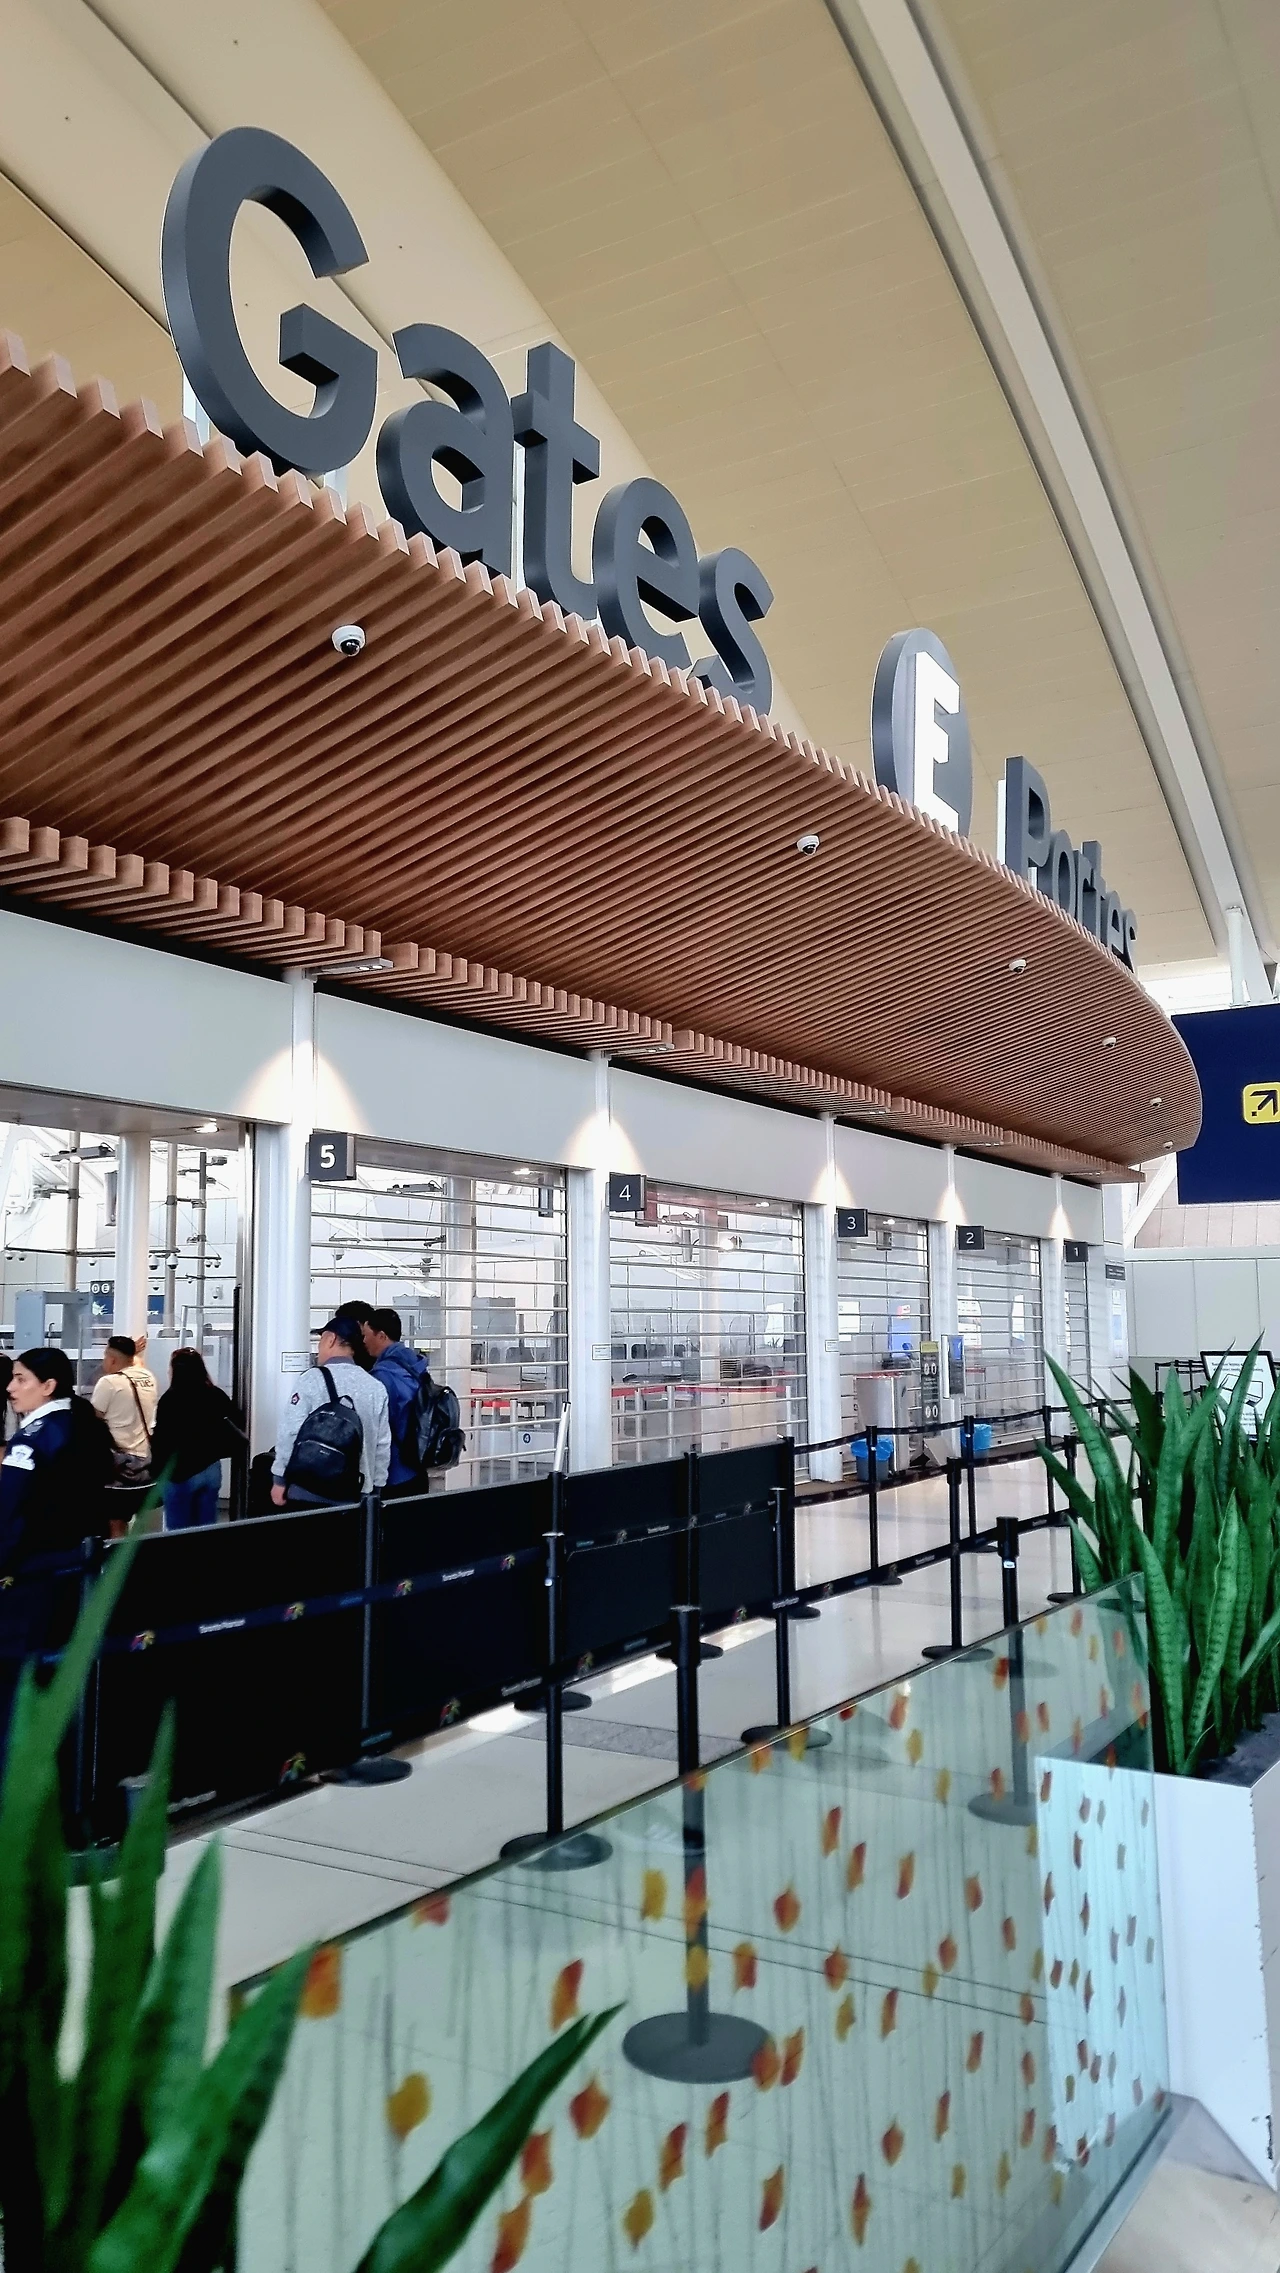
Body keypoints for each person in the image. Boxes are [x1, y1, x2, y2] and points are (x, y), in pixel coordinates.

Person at [0, 1348, 113, 1749]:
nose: (11, 1388)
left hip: (35, 1575)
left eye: (21, 1379)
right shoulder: (85, 1427)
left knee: (19, 1678)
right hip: (80, 1567)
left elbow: (9, 1511)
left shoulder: (32, 1439)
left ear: (48, 1386)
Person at [271, 1315, 390, 1508]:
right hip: (355, 1493)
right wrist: (376, 1487)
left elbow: (290, 1432)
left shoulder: (311, 1379)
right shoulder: (375, 1387)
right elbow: (382, 1445)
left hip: (307, 1490)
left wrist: (279, 1480)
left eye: (320, 1340)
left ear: (330, 1339)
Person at [151, 1347, 244, 1530]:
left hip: (180, 1474)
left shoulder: (170, 1399)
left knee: (179, 1532)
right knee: (206, 1529)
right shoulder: (215, 1394)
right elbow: (237, 1420)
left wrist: (157, 1471)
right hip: (210, 1469)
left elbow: (162, 1441)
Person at [361, 1307, 429, 1493]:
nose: (364, 1341)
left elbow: (379, 1426)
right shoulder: (415, 1364)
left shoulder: (383, 1375)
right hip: (418, 1465)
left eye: (366, 1335)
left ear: (381, 1336)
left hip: (395, 1472)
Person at [91, 1334, 158, 1479]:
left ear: (112, 1360)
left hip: (119, 1461)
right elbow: (135, 1365)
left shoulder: (108, 1383)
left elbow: (92, 1421)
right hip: (145, 1458)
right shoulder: (149, 1377)